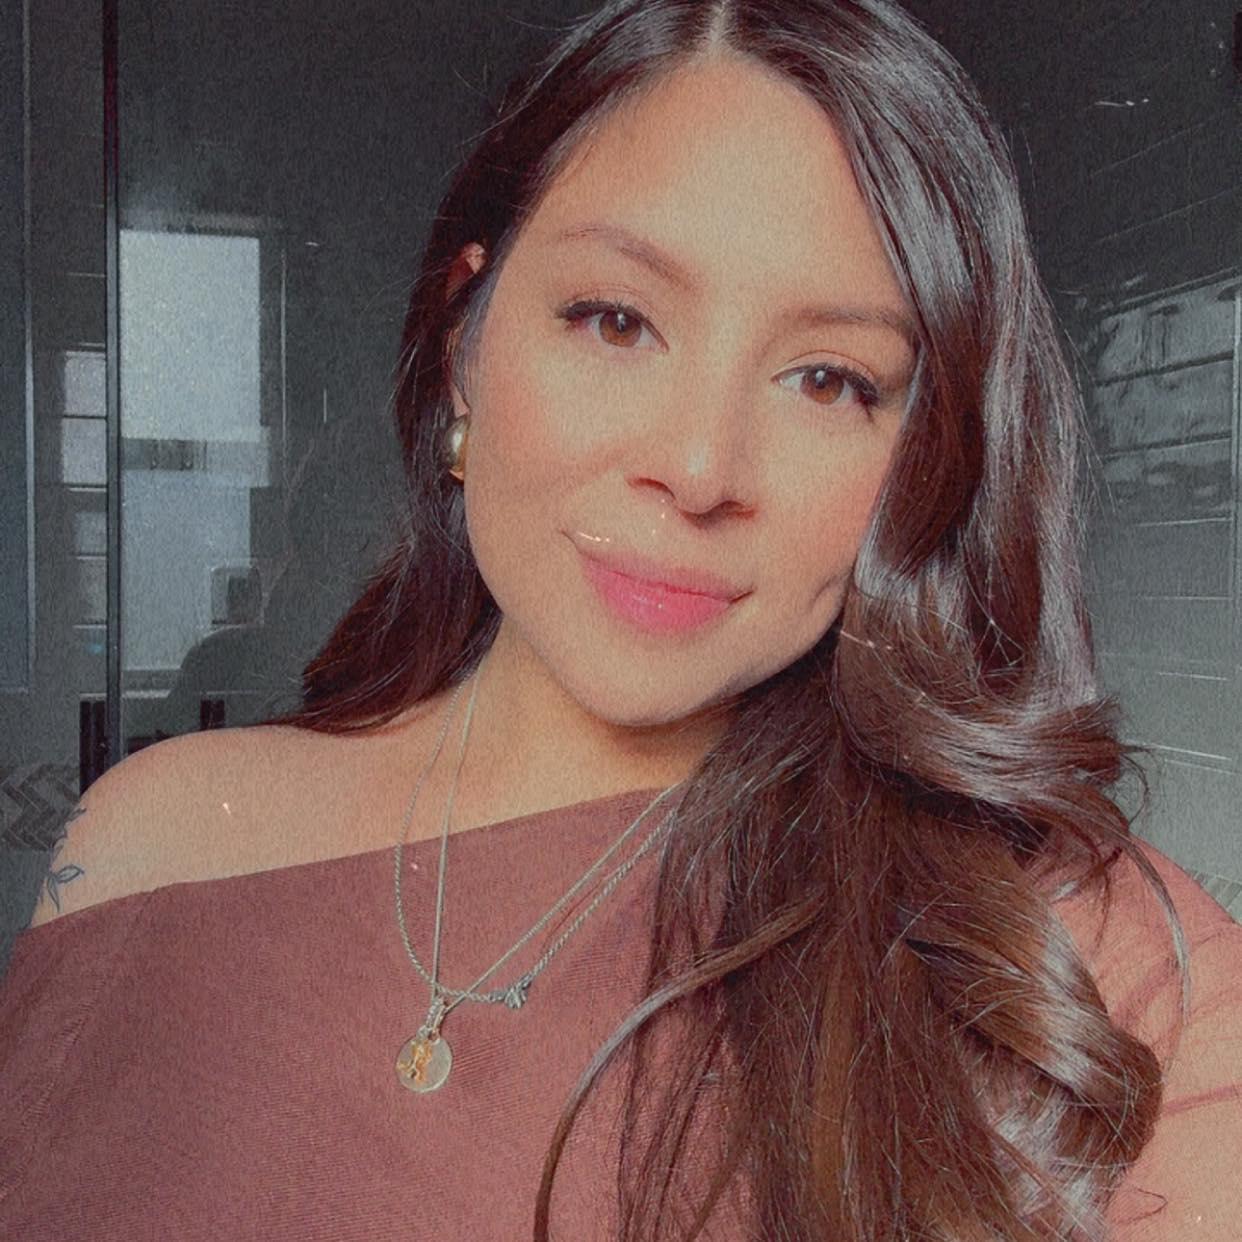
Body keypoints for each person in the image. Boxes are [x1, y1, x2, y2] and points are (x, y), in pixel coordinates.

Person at [2, 0, 1240, 1238]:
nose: (700, 468)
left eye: (828, 380)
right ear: (464, 348)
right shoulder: (143, 845)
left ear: (926, 454)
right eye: (617, 319)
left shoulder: (1086, 978)